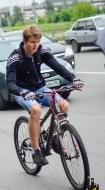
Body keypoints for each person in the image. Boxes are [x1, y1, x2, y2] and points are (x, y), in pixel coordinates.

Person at [6, 25, 84, 166]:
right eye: (32, 42)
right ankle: (36, 151)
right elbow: (10, 84)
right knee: (35, 109)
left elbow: (57, 66)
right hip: (22, 91)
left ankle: (53, 136)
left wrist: (73, 79)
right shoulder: (15, 57)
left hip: (40, 88)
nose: (36, 45)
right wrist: (22, 92)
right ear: (25, 41)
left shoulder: (41, 51)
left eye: (38, 41)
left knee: (63, 105)